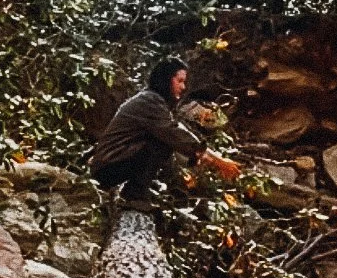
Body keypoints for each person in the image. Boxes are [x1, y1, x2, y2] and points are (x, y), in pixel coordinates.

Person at [91, 56, 239, 207]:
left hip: (110, 165)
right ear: (166, 79)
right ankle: (134, 195)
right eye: (179, 81)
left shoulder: (153, 100)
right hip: (107, 169)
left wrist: (206, 158)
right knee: (161, 144)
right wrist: (216, 159)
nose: (183, 87)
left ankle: (138, 193)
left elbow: (178, 134)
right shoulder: (149, 101)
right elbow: (175, 134)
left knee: (165, 145)